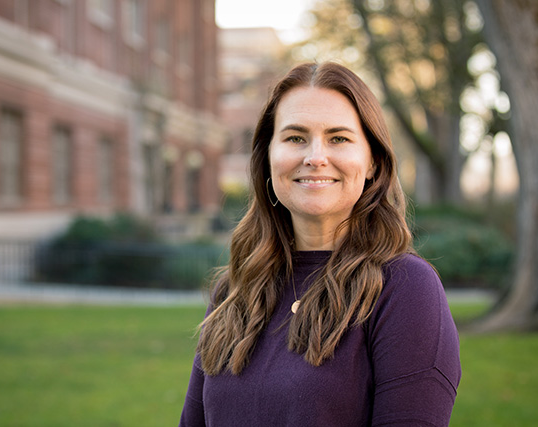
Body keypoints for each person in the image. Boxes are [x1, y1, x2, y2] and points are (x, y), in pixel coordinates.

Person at [179, 62, 461, 426]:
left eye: (338, 138)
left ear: (373, 160)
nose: (315, 157)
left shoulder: (405, 289)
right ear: (267, 159)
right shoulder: (235, 291)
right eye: (295, 138)